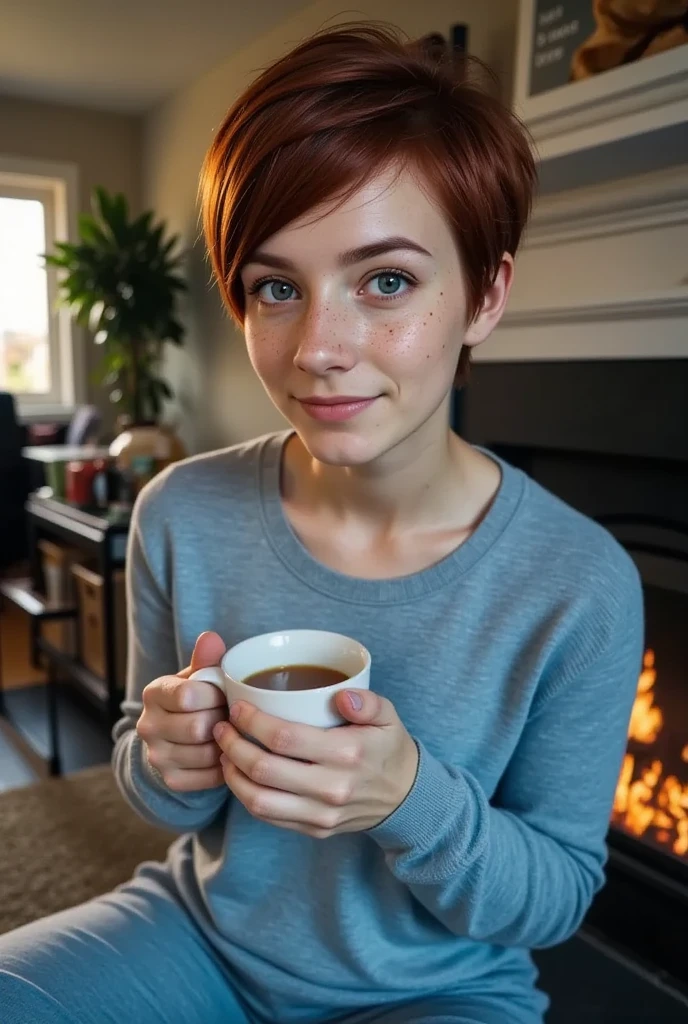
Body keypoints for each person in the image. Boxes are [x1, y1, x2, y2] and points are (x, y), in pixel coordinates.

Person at [0, 22, 643, 1024]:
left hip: (444, 988)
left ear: (485, 293)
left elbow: (553, 898)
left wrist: (408, 798)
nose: (319, 350)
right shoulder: (183, 512)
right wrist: (163, 757)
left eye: (385, 280)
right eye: (276, 288)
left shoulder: (577, 583)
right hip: (201, 938)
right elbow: (149, 776)